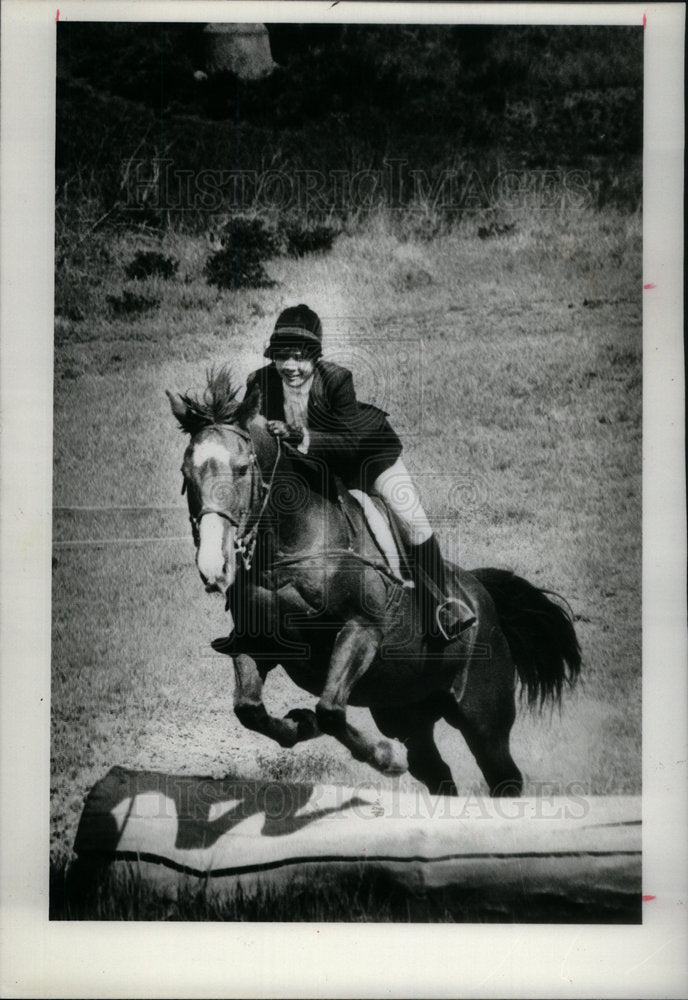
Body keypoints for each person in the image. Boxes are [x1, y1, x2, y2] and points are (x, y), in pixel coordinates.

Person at [243, 304, 475, 644]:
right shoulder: (260, 382)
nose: (290, 366)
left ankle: (443, 603)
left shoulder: (337, 380)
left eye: (299, 357)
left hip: (367, 459)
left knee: (411, 519)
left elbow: (349, 443)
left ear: (314, 356)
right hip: (312, 469)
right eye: (282, 357)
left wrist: (300, 436)